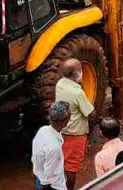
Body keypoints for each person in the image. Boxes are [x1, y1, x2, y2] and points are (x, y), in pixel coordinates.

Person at [55, 59, 95, 190]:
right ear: (78, 73)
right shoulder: (78, 93)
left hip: (62, 130)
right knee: (71, 167)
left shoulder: (60, 84)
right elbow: (91, 113)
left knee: (63, 162)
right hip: (75, 134)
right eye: (81, 70)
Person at [32, 102, 70, 190]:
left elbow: (36, 158)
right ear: (64, 121)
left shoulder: (43, 130)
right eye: (69, 117)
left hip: (40, 177)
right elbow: (46, 181)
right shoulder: (54, 148)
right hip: (53, 186)